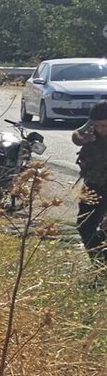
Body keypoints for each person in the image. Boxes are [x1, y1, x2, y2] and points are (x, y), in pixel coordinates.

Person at [74, 101, 107, 266]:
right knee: (84, 225)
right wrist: (82, 138)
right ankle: (99, 266)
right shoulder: (94, 119)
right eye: (98, 125)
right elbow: (76, 135)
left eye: (105, 126)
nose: (101, 130)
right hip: (92, 185)